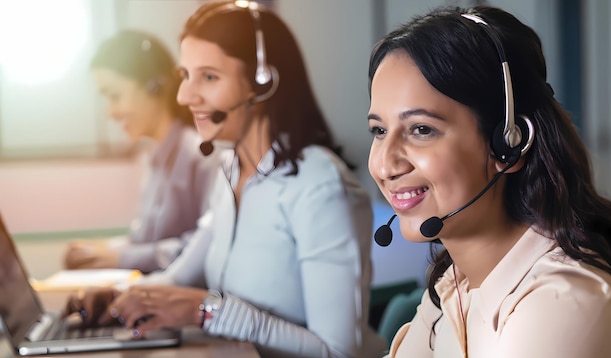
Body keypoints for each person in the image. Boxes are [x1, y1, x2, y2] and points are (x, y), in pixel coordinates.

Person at [65, 2, 386, 357]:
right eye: (185, 75)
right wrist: (119, 298)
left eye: (209, 77)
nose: (184, 96)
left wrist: (205, 310)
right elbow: (178, 277)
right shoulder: (231, 168)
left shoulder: (320, 187)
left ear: (263, 82)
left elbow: (339, 352)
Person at [367, 5, 611, 358]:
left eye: (421, 130)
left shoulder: (563, 303)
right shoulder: (453, 284)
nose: (385, 164)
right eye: (379, 131)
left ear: (508, 144)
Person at [63, 30, 220, 273]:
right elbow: (146, 241)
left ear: (155, 86)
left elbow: (206, 248)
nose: (110, 112)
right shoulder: (154, 159)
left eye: (115, 96)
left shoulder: (200, 155)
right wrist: (101, 250)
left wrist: (121, 258)